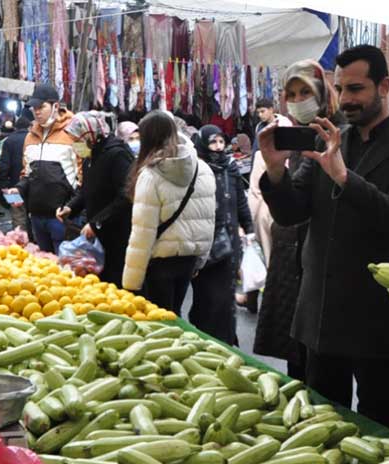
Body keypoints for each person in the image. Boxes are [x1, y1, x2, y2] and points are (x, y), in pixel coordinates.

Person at [258, 44, 389, 429]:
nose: (346, 99)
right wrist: (276, 172)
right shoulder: (331, 137)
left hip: (372, 317)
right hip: (319, 312)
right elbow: (292, 213)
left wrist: (343, 176)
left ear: (384, 85)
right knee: (322, 424)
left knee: (377, 427)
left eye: (356, 89)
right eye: (340, 89)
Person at [251, 60, 338, 381]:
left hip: (318, 261)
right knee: (296, 363)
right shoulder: (293, 137)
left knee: (321, 367)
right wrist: (275, 169)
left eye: (306, 92)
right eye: (292, 93)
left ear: (323, 92)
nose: (299, 100)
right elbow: (289, 206)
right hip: (290, 258)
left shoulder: (336, 136)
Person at [122, 110, 216, 312]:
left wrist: (131, 282)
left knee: (158, 322)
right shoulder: (203, 169)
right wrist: (200, 259)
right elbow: (208, 221)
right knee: (175, 316)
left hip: (159, 263)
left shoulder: (150, 175)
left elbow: (143, 233)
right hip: (188, 260)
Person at [56, 111, 134, 287]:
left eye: (77, 140)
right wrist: (70, 207)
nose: (75, 145)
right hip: (98, 235)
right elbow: (86, 191)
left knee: (116, 283)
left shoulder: (117, 154)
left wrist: (97, 222)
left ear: (90, 135)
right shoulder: (90, 156)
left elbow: (126, 195)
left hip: (117, 234)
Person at [192, 125, 253, 345]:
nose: (218, 147)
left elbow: (240, 201)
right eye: (212, 142)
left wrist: (249, 228)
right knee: (208, 296)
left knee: (226, 296)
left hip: (231, 242)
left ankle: (227, 340)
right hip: (206, 243)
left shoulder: (230, 167)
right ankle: (206, 338)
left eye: (220, 142)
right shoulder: (197, 169)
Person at [4, 83, 81, 252]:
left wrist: (72, 207)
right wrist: (18, 190)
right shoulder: (30, 137)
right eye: (34, 108)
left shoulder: (74, 132)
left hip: (63, 217)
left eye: (41, 107)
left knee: (67, 269)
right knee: (45, 267)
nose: (36, 111)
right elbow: (27, 173)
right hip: (37, 216)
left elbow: (83, 175)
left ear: (55, 106)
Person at [0, 108, 31, 233]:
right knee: (31, 216)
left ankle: (20, 246)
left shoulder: (8, 141)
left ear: (15, 127)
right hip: (32, 185)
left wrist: (3, 185)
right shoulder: (33, 139)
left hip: (13, 187)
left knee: (18, 218)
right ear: (29, 127)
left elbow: (3, 166)